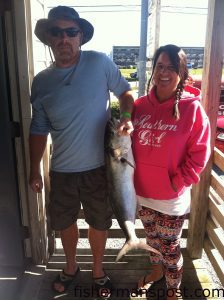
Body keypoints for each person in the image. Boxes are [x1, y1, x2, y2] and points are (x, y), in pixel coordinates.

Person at [29, 6, 134, 296]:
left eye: (71, 32)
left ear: (81, 36)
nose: (64, 38)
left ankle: (98, 270)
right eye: (57, 32)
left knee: (98, 221)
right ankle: (72, 265)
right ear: (49, 38)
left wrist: (126, 117)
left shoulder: (99, 63)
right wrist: (34, 168)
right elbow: (38, 128)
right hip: (61, 169)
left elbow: (125, 93)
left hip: (100, 168)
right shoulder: (41, 82)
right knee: (65, 223)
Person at [131, 44, 211, 300]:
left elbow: (199, 154)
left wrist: (177, 182)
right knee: (152, 242)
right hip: (143, 192)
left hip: (171, 197)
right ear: (153, 69)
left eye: (171, 68)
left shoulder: (192, 109)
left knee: (169, 247)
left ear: (182, 73)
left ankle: (173, 290)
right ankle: (156, 274)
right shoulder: (140, 105)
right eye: (160, 66)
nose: (164, 73)